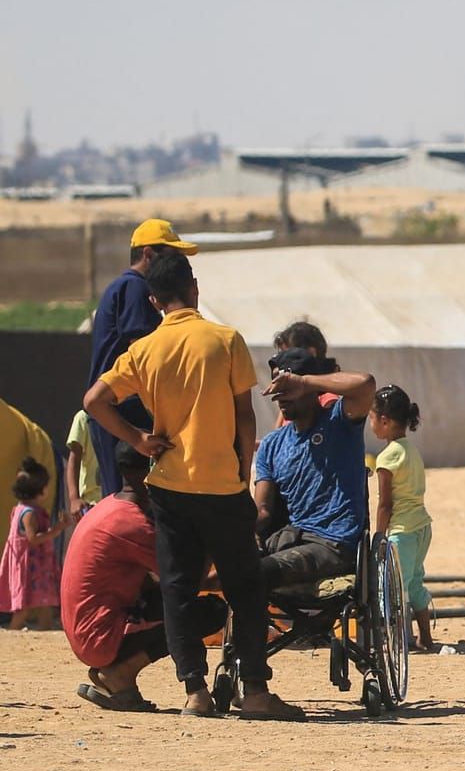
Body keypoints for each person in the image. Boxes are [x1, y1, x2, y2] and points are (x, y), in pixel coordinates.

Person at [82, 248, 302, 720]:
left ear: (156, 300)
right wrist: (243, 471)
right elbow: (245, 418)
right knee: (245, 587)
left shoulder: (142, 351)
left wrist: (139, 440)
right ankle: (256, 692)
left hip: (169, 487)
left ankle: (195, 693)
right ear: (195, 288)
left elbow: (94, 401)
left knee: (178, 590)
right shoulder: (225, 340)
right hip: (221, 485)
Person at [63, 442, 227, 712]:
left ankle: (120, 674)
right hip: (101, 637)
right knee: (206, 612)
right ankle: (120, 673)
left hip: (88, 630)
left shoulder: (108, 507)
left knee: (178, 599)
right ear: (149, 472)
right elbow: (188, 579)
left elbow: (153, 580)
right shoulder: (133, 525)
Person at [87, 219, 198, 497]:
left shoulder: (123, 287)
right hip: (122, 411)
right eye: (172, 255)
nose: (176, 264)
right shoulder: (135, 287)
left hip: (118, 410)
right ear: (148, 254)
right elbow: (145, 351)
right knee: (129, 500)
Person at [252, 349, 377, 592]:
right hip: (289, 540)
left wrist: (306, 382)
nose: (282, 395)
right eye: (278, 386)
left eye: (289, 386)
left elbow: (365, 384)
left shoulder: (339, 422)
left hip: (332, 542)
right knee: (227, 569)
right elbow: (262, 510)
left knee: (252, 575)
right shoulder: (272, 444)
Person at [370, 384, 434, 651]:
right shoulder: (412, 450)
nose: (370, 424)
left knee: (392, 588)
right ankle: (425, 637)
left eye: (372, 418)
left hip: (402, 531)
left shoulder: (387, 457)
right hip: (422, 527)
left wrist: (379, 535)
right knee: (415, 582)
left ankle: (397, 641)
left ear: (384, 421)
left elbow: (386, 503)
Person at [2, 458, 71, 629]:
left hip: (39, 567)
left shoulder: (24, 509)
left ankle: (44, 630)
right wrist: (57, 529)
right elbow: (32, 539)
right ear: (40, 489)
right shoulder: (29, 513)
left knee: (45, 602)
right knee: (24, 607)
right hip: (31, 567)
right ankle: (12, 634)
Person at [64, 408, 102, 519]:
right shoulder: (84, 417)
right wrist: (74, 498)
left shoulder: (120, 414)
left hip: (116, 497)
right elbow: (74, 459)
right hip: (91, 502)